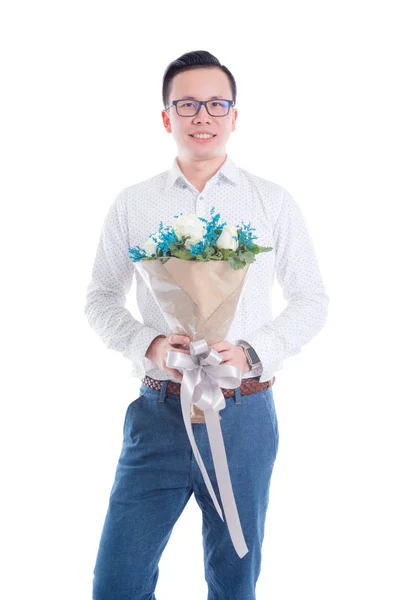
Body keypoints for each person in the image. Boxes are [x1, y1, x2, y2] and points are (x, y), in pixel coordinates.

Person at [85, 49, 329, 600]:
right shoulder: (134, 204)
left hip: (244, 414)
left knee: (233, 578)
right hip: (159, 414)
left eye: (216, 104)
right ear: (167, 117)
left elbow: (311, 300)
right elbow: (100, 298)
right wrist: (147, 343)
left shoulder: (271, 201)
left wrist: (252, 350)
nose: (203, 116)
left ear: (234, 116)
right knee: (116, 581)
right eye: (188, 104)